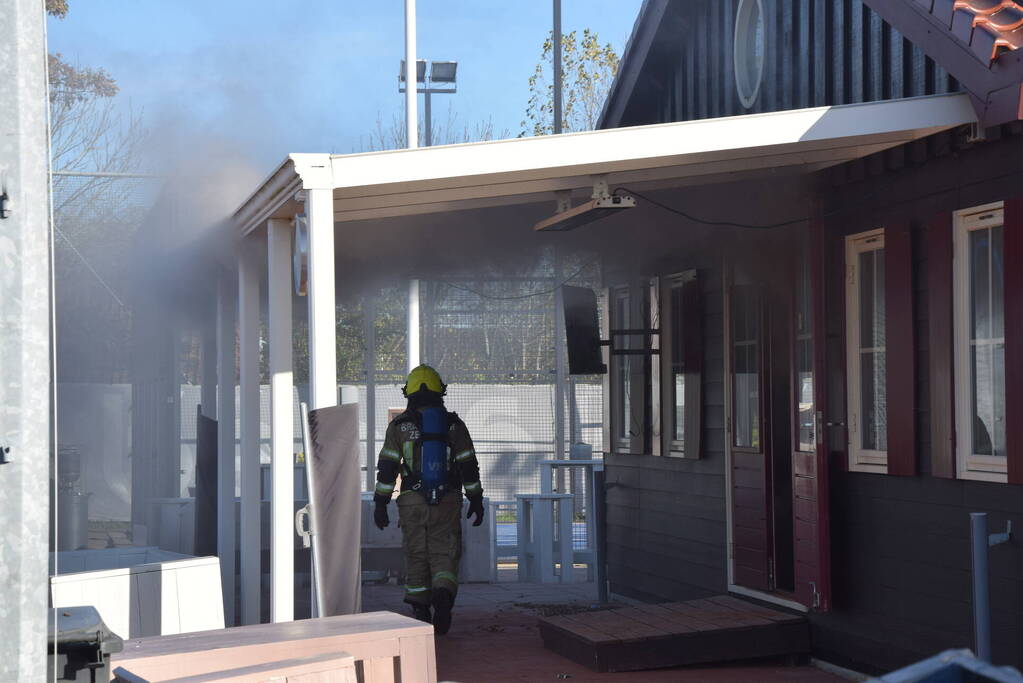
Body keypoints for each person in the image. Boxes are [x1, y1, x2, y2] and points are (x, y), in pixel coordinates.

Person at [372, 365, 485, 635]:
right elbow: (469, 465)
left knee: (416, 552)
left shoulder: (399, 427)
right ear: (440, 392)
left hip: (412, 501)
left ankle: (420, 606)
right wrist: (476, 498)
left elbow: (387, 467)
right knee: (444, 552)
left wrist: (380, 503)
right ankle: (443, 594)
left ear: (408, 393)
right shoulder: (454, 425)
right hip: (447, 500)